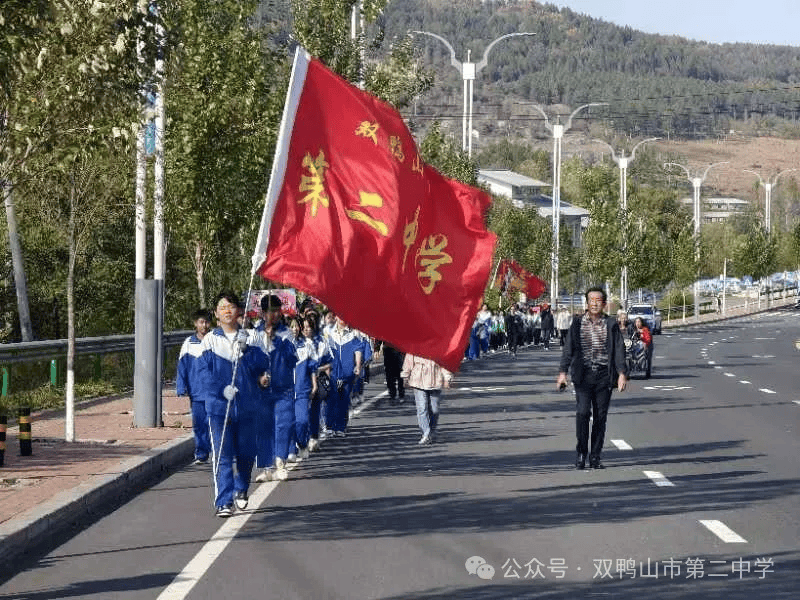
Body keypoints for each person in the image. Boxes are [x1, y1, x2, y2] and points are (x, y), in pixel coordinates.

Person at [196, 291, 271, 517]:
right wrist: (221, 390)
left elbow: (263, 364)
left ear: (238, 310)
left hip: (247, 408)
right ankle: (224, 501)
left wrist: (247, 351)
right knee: (222, 455)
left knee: (247, 454)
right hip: (219, 409)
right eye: (222, 307)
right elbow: (203, 374)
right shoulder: (210, 340)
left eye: (231, 306)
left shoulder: (251, 337)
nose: (227, 310)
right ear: (217, 314)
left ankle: (241, 488)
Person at [556, 286, 628, 470]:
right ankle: (581, 453)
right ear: (587, 303)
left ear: (604, 304)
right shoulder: (578, 323)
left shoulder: (611, 324)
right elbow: (568, 349)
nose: (594, 304)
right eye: (591, 300)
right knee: (582, 413)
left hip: (604, 376)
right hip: (583, 375)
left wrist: (621, 374)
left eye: (598, 301)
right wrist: (563, 372)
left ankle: (595, 456)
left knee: (600, 417)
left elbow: (619, 350)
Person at [176, 308, 213, 465]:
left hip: (214, 392)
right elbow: (182, 367)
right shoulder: (188, 343)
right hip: (196, 392)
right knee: (199, 424)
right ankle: (201, 453)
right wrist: (180, 386)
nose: (204, 325)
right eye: (201, 322)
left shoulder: (215, 340)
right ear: (195, 324)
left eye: (206, 322)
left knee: (213, 423)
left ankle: (217, 450)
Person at [401, 353, 453, 445]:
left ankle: (432, 431)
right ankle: (426, 433)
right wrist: (405, 376)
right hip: (418, 381)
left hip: (435, 381)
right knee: (422, 408)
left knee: (434, 409)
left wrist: (447, 378)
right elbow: (408, 362)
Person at [324, 313, 363, 436]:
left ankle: (340, 426)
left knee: (344, 400)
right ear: (336, 317)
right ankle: (329, 425)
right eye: (340, 316)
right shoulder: (328, 333)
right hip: (332, 372)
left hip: (347, 374)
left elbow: (358, 350)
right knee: (331, 399)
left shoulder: (353, 335)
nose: (343, 319)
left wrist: (357, 366)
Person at [375, 339, 406, 404]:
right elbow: (379, 335)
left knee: (400, 374)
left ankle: (401, 395)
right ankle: (392, 395)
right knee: (389, 375)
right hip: (388, 351)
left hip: (401, 351)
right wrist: (377, 349)